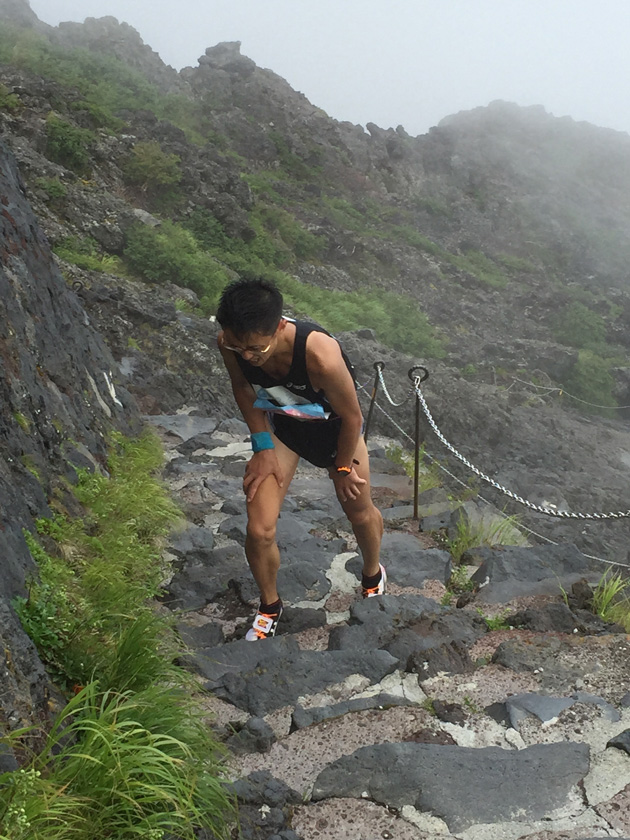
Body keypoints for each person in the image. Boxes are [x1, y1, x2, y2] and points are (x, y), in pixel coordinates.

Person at [216, 277, 385, 641]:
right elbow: (243, 387)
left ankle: (372, 573)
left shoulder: (319, 356)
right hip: (285, 429)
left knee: (358, 508)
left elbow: (353, 417)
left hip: (335, 430)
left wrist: (341, 468)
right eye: (238, 347)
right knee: (258, 528)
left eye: (256, 349)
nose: (247, 356)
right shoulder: (230, 343)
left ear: (279, 327)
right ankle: (270, 605)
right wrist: (262, 448)